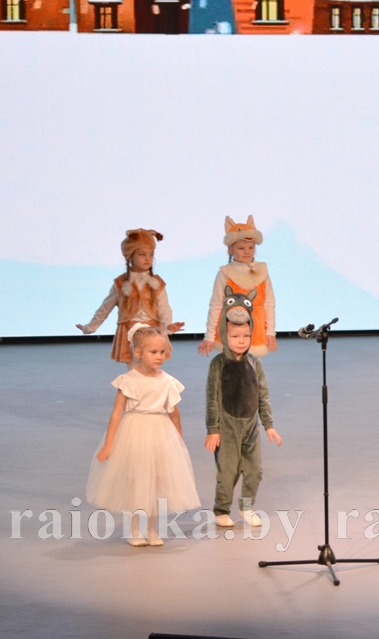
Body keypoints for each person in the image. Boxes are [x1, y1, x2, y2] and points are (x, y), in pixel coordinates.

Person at [86, 325, 200, 546]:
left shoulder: (168, 382)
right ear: (138, 353)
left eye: (163, 352)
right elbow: (117, 412)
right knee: (137, 480)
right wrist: (109, 444)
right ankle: (135, 530)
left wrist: (177, 441)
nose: (159, 356)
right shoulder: (128, 380)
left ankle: (152, 529)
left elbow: (174, 414)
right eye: (153, 352)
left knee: (156, 482)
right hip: (135, 431)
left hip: (160, 432)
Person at [205, 293, 282, 527]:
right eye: (235, 336)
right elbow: (212, 398)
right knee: (228, 472)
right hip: (227, 428)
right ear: (223, 334)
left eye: (246, 336)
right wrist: (213, 429)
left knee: (254, 470)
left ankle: (246, 507)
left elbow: (262, 395)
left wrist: (268, 425)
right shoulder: (218, 364)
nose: (241, 341)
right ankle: (221, 509)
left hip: (250, 427)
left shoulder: (255, 363)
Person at [77, 229, 184, 364]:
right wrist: (89, 328)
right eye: (142, 254)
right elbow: (105, 308)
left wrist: (168, 325)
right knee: (135, 371)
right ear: (130, 256)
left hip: (153, 332)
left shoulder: (157, 283)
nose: (148, 258)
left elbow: (164, 308)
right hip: (129, 333)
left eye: (151, 254)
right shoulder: (120, 283)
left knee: (151, 369)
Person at [199, 215, 277, 357]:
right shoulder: (225, 274)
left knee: (252, 367)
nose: (247, 252)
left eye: (251, 247)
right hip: (231, 328)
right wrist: (209, 336)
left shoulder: (262, 272)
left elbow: (269, 304)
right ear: (230, 249)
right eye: (241, 248)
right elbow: (216, 305)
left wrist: (270, 332)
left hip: (256, 330)